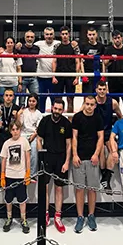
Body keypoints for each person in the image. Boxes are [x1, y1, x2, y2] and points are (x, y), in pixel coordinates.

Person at [37, 98, 72, 233]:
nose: (57, 111)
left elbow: (69, 144)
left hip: (61, 159)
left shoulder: (66, 123)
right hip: (47, 158)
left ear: (63, 110)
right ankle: (46, 214)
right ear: (52, 108)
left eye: (59, 109)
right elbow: (39, 139)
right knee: (45, 187)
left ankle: (58, 217)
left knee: (59, 188)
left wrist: (67, 162)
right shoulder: (45, 121)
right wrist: (41, 155)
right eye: (55, 108)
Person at [72, 95, 104, 233]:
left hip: (92, 158)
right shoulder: (77, 117)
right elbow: (74, 137)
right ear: (84, 104)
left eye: (92, 104)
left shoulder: (98, 118)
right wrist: (74, 155)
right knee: (79, 189)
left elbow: (101, 137)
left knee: (92, 189)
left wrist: (96, 154)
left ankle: (91, 215)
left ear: (95, 106)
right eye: (87, 104)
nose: (89, 107)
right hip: (79, 158)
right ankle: (80, 217)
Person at [0, 120, 31, 233]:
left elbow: (28, 158)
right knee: (8, 199)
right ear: (10, 131)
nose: (15, 131)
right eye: (13, 129)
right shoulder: (6, 143)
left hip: (21, 176)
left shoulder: (24, 142)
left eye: (17, 129)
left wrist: (28, 173)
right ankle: (9, 218)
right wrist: (2, 175)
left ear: (20, 130)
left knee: (22, 200)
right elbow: (4, 160)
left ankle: (23, 219)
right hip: (9, 175)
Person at [94, 80, 122, 191]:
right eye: (100, 89)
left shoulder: (113, 102)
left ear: (107, 90)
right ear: (96, 90)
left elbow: (120, 116)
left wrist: (119, 130)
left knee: (113, 148)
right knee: (100, 149)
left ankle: (106, 177)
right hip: (96, 132)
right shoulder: (92, 102)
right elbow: (81, 114)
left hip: (108, 131)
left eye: (104, 89)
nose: (102, 91)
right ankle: (104, 175)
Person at [0, 88, 21, 191]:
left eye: (10, 95)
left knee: (14, 153)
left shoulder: (17, 109)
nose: (8, 97)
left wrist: (17, 116)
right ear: (3, 97)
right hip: (1, 134)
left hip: (12, 135)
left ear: (13, 97)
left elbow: (19, 125)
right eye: (6, 95)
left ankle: (11, 179)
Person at [52, 26, 81, 113]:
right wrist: (53, 76)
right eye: (63, 34)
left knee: (70, 99)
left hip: (71, 75)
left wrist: (77, 77)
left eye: (66, 34)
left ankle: (70, 119)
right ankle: (58, 118)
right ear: (60, 35)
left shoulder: (74, 46)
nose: (64, 36)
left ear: (69, 35)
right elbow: (54, 61)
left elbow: (77, 62)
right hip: (59, 75)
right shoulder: (56, 46)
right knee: (58, 99)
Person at [103, 30, 123, 105]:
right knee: (114, 105)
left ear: (122, 38)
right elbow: (105, 63)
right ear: (112, 39)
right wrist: (111, 59)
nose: (117, 40)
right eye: (115, 38)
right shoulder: (109, 50)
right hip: (113, 81)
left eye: (118, 38)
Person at [34, 27, 60, 112]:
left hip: (54, 77)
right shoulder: (38, 44)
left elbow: (68, 45)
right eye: (47, 34)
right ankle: (41, 117)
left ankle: (54, 117)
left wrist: (74, 44)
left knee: (54, 99)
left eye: (51, 34)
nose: (49, 36)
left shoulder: (58, 43)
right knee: (41, 99)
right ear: (44, 35)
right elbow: (28, 46)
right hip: (41, 77)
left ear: (54, 35)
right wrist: (19, 45)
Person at [20, 94, 42, 179]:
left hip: (34, 135)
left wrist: (33, 135)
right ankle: (21, 172)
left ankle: (32, 174)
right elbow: (20, 125)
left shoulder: (38, 114)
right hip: (23, 134)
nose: (31, 103)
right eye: (30, 101)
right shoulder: (24, 112)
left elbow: (38, 128)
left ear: (36, 102)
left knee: (34, 152)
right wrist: (18, 114)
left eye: (33, 101)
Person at [0, 37, 23, 104]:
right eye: (8, 43)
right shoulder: (2, 54)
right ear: (5, 44)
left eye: (11, 42)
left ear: (14, 44)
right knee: (0, 103)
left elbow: (19, 69)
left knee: (12, 103)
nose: (10, 44)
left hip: (14, 83)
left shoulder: (16, 55)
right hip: (2, 83)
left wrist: (20, 83)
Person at [80, 27, 105, 94]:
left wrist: (103, 74)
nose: (92, 36)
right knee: (87, 96)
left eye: (93, 34)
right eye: (90, 35)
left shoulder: (101, 46)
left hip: (98, 73)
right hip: (88, 73)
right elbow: (81, 61)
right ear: (87, 35)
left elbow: (103, 61)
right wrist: (83, 75)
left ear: (96, 35)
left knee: (99, 95)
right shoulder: (83, 46)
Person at [17, 30, 40, 102]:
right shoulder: (20, 48)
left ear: (34, 38)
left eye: (32, 37)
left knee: (36, 99)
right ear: (24, 38)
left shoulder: (37, 48)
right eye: (28, 37)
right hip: (23, 78)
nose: (29, 39)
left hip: (33, 77)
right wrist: (16, 47)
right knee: (22, 100)